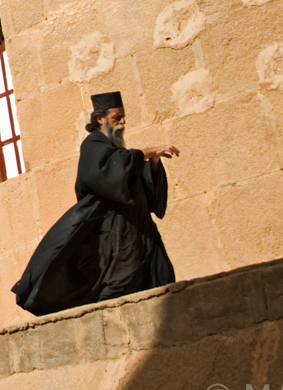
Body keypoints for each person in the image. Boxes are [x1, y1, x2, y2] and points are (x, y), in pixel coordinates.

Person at [11, 92, 179, 316]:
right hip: (119, 236)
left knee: (160, 275)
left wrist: (154, 164)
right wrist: (144, 153)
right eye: (117, 117)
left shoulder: (116, 150)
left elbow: (139, 187)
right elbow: (105, 174)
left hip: (142, 230)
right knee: (121, 284)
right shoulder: (93, 146)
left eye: (123, 117)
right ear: (100, 119)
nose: (123, 122)